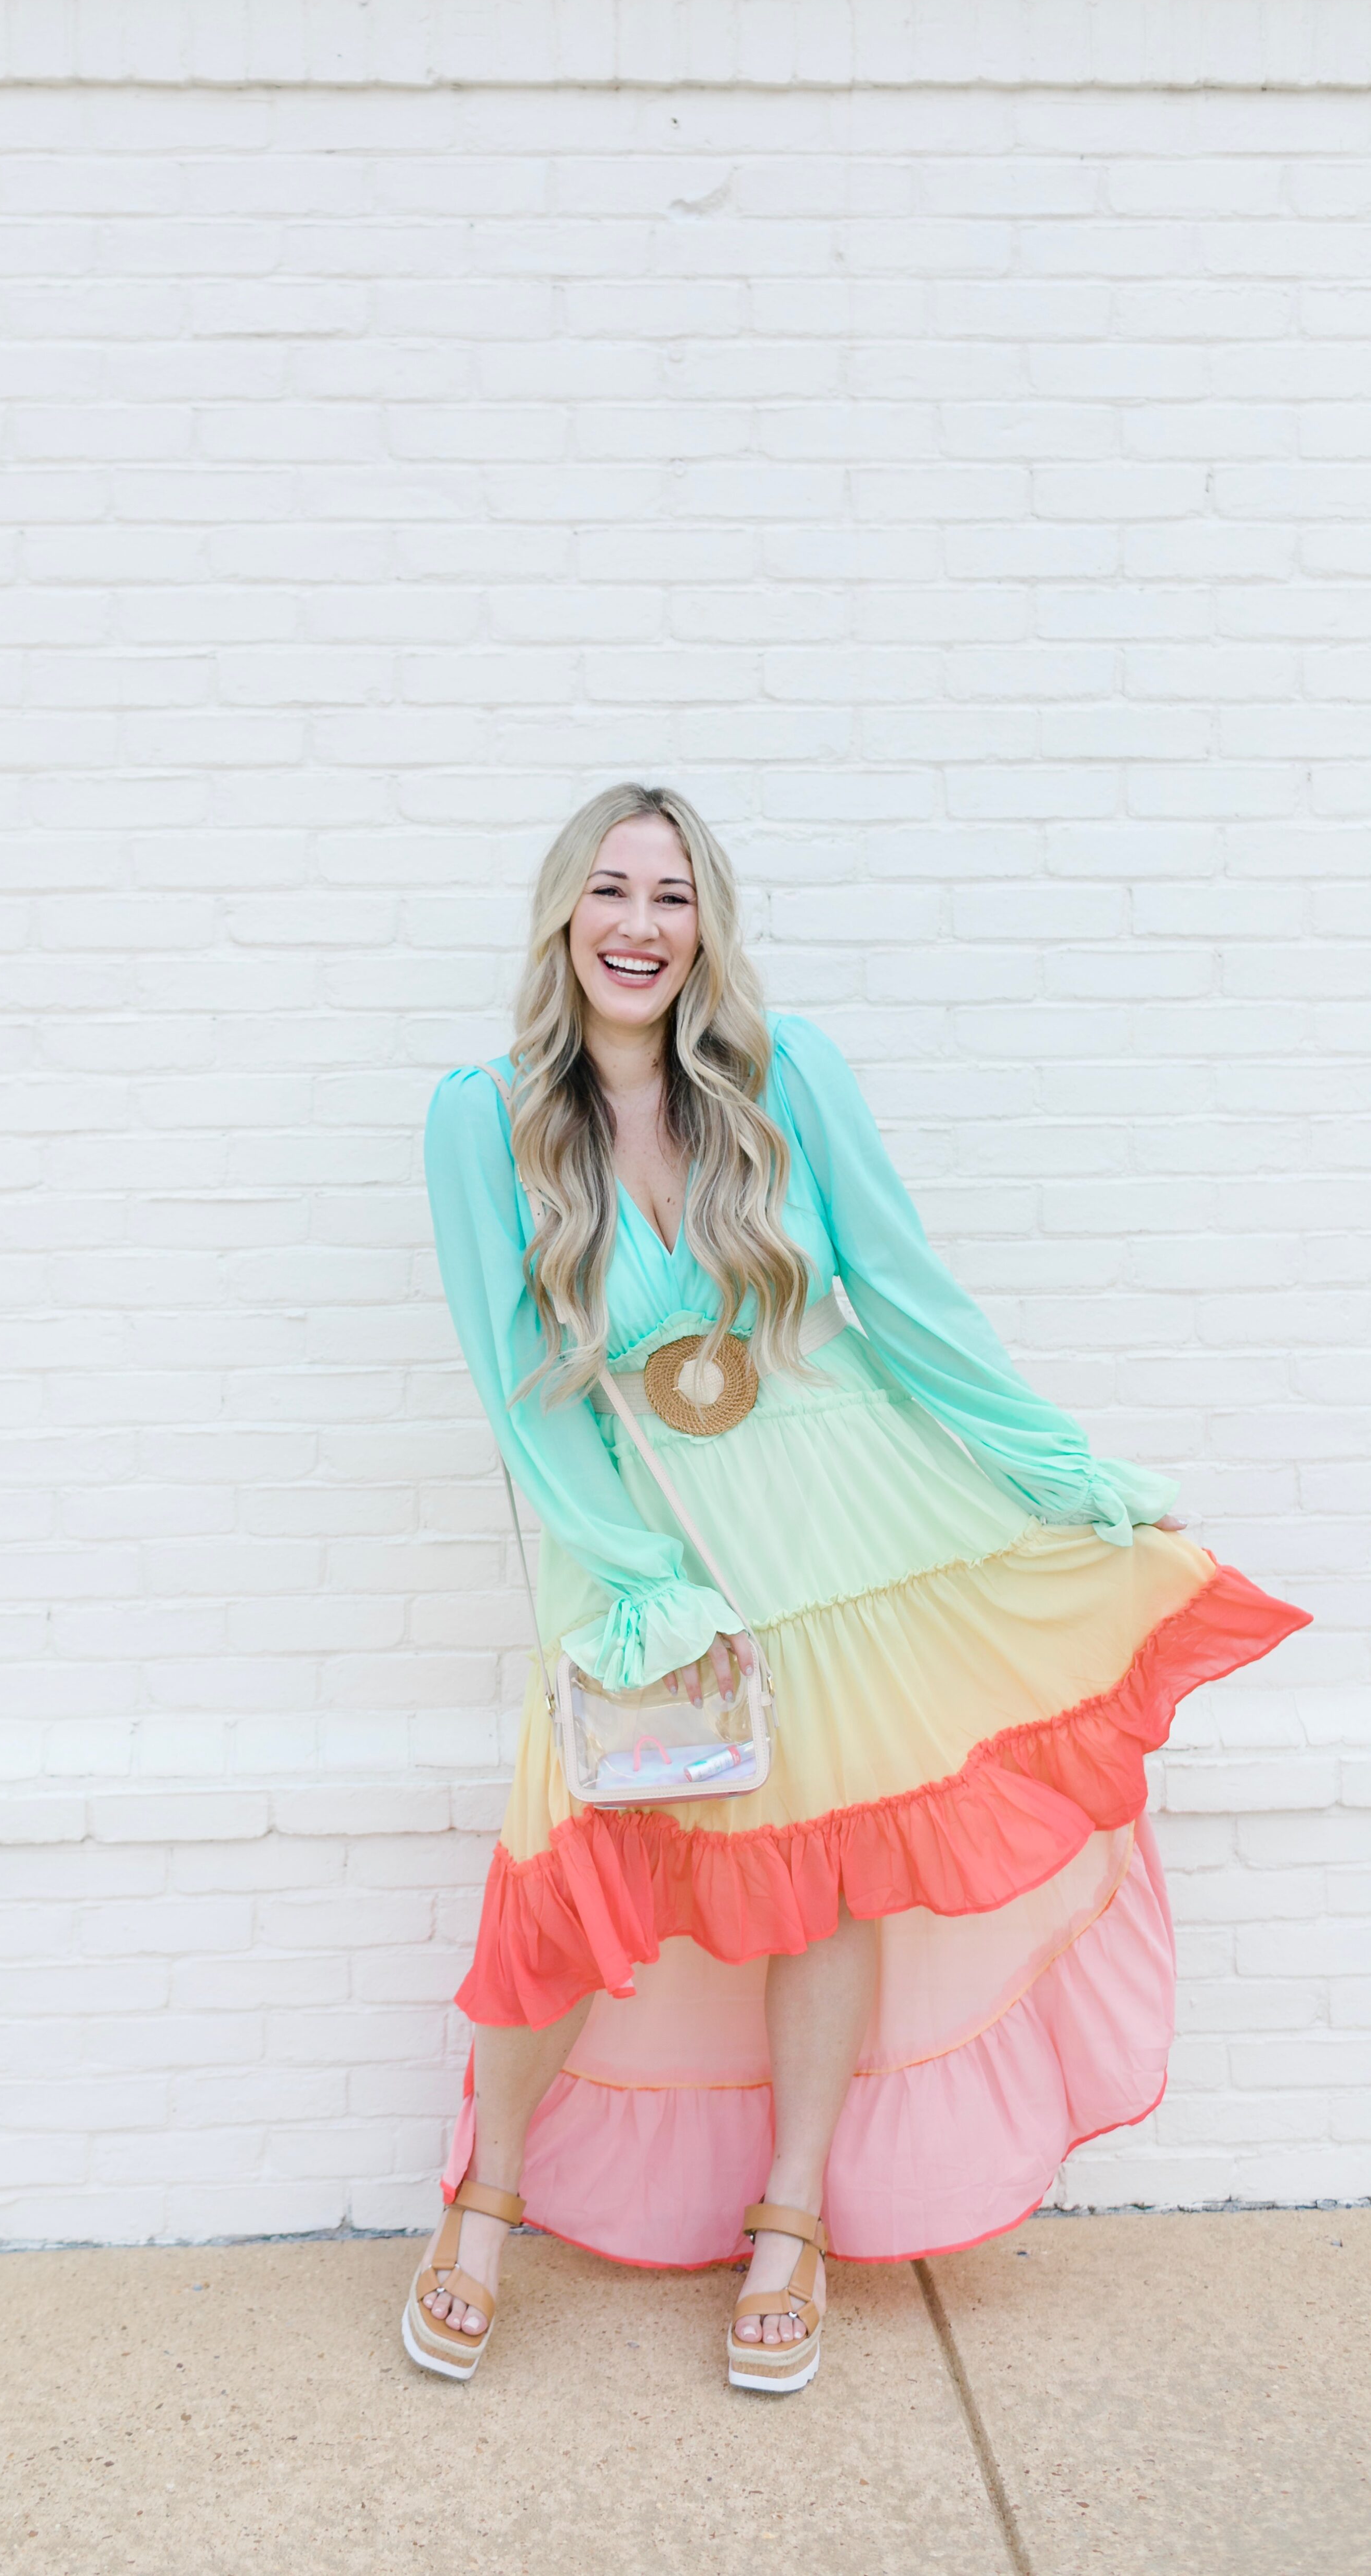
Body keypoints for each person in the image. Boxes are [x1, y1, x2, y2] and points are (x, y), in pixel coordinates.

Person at [403, 783, 1308, 2392]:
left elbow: (904, 1293)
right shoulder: (483, 1118)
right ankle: (484, 2201)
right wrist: (633, 1580)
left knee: (826, 1866)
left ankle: (792, 2219)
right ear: (562, 912)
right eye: (610, 890)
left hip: (836, 1502)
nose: (639, 925)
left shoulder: (785, 1071)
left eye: (673, 897)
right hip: (644, 1541)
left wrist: (1056, 1473)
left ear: (707, 926)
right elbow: (511, 1380)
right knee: (579, 1873)